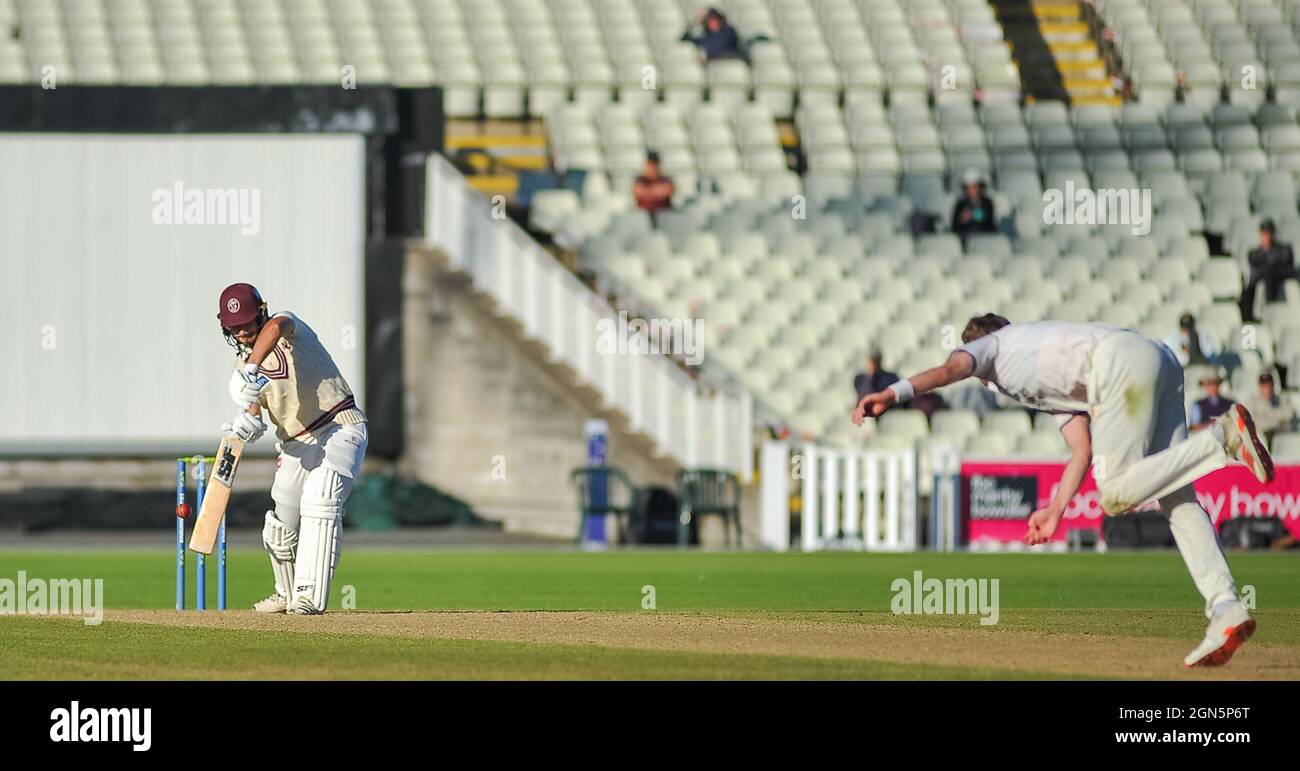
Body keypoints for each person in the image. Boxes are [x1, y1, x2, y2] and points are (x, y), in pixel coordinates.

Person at [852, 313, 1273, 668]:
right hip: (1156, 357)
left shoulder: (993, 347)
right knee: (1179, 497)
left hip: (1119, 364)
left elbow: (949, 370)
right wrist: (1055, 510)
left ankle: (1220, 440)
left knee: (1113, 494)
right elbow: (1081, 450)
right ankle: (1225, 607)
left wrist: (893, 393)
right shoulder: (1037, 364)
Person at [218, 283, 369, 615]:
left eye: (247, 321)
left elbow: (274, 328)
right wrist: (248, 424)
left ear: (261, 311)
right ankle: (285, 592)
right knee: (280, 523)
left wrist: (250, 368)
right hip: (294, 442)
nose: (242, 331)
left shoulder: (287, 327)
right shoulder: (240, 369)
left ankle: (309, 597)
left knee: (321, 497)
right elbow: (255, 412)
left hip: (339, 425)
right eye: (234, 326)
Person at [854, 351, 944, 418]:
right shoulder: (860, 379)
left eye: (875, 361)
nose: (873, 364)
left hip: (888, 411)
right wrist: (870, 377)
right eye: (871, 361)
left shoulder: (891, 377)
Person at [1239, 219, 1296, 323]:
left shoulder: (1283, 250)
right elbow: (1256, 268)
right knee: (1248, 291)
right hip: (1261, 283)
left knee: (1272, 275)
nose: (1266, 236)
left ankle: (1272, 309)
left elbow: (1287, 266)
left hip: (1279, 279)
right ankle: (1250, 319)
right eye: (1264, 233)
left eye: (1268, 233)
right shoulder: (1255, 252)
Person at [1239, 372, 1295, 445]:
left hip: (1279, 436)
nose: (1267, 388)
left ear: (1273, 385)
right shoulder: (1253, 401)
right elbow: (1251, 421)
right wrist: (1276, 418)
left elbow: (1289, 415)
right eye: (1264, 386)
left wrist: (1266, 417)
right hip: (1261, 438)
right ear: (1260, 386)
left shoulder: (1282, 398)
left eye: (1269, 385)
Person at [950, 168, 997, 242]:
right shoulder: (960, 204)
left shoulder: (987, 203)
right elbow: (954, 227)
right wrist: (961, 220)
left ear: (980, 187)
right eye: (968, 188)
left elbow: (990, 225)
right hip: (965, 239)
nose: (971, 191)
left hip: (984, 239)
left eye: (974, 187)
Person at [632, 151, 675, 223]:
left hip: (665, 219)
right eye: (650, 165)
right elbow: (638, 191)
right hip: (643, 220)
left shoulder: (665, 180)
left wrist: (647, 191)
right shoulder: (640, 180)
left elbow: (669, 190)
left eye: (654, 165)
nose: (652, 168)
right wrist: (657, 191)